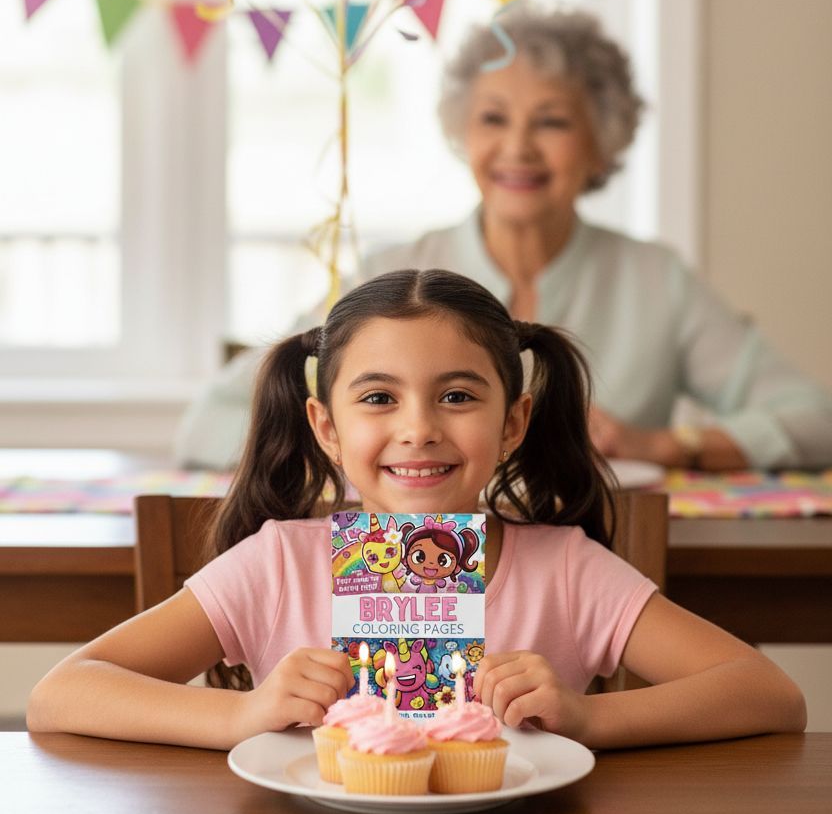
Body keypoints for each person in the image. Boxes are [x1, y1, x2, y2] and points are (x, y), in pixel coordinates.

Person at [28, 269, 805, 750]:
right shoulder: (280, 563)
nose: (419, 428)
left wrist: (591, 720)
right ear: (326, 427)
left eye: (458, 396)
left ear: (514, 422)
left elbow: (770, 694)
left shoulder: (566, 569)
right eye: (378, 398)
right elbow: (61, 694)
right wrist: (242, 717)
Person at [174, 2, 832, 474]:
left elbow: (812, 417)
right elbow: (212, 418)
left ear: (603, 140)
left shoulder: (656, 281)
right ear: (464, 133)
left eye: (551, 121)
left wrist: (665, 446)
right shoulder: (395, 275)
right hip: (417, 598)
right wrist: (363, 451)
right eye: (493, 118)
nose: (518, 148)